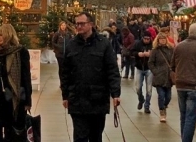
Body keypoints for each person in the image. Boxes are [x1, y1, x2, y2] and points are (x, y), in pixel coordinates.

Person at [60, 12, 121, 142]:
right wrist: (65, 95)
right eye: (77, 24)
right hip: (77, 99)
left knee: (95, 136)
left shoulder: (103, 44)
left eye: (82, 23)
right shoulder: (71, 45)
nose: (79, 26)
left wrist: (116, 94)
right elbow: (64, 72)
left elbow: (112, 70)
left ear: (91, 25)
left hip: (97, 100)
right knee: (80, 137)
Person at [148, 30, 174, 122]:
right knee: (161, 95)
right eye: (161, 39)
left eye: (164, 39)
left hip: (168, 76)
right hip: (159, 76)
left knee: (168, 97)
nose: (162, 41)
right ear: (158, 40)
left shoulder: (171, 49)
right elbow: (150, 63)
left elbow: (174, 61)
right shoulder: (155, 51)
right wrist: (155, 71)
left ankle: (164, 106)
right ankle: (162, 112)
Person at [131, 31, 154, 113]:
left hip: (149, 69)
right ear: (142, 38)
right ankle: (141, 99)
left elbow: (156, 54)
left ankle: (147, 105)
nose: (147, 40)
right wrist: (138, 54)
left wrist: (151, 54)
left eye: (148, 39)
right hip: (140, 68)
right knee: (138, 87)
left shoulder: (153, 44)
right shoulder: (137, 44)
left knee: (149, 89)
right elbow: (132, 52)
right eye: (145, 39)